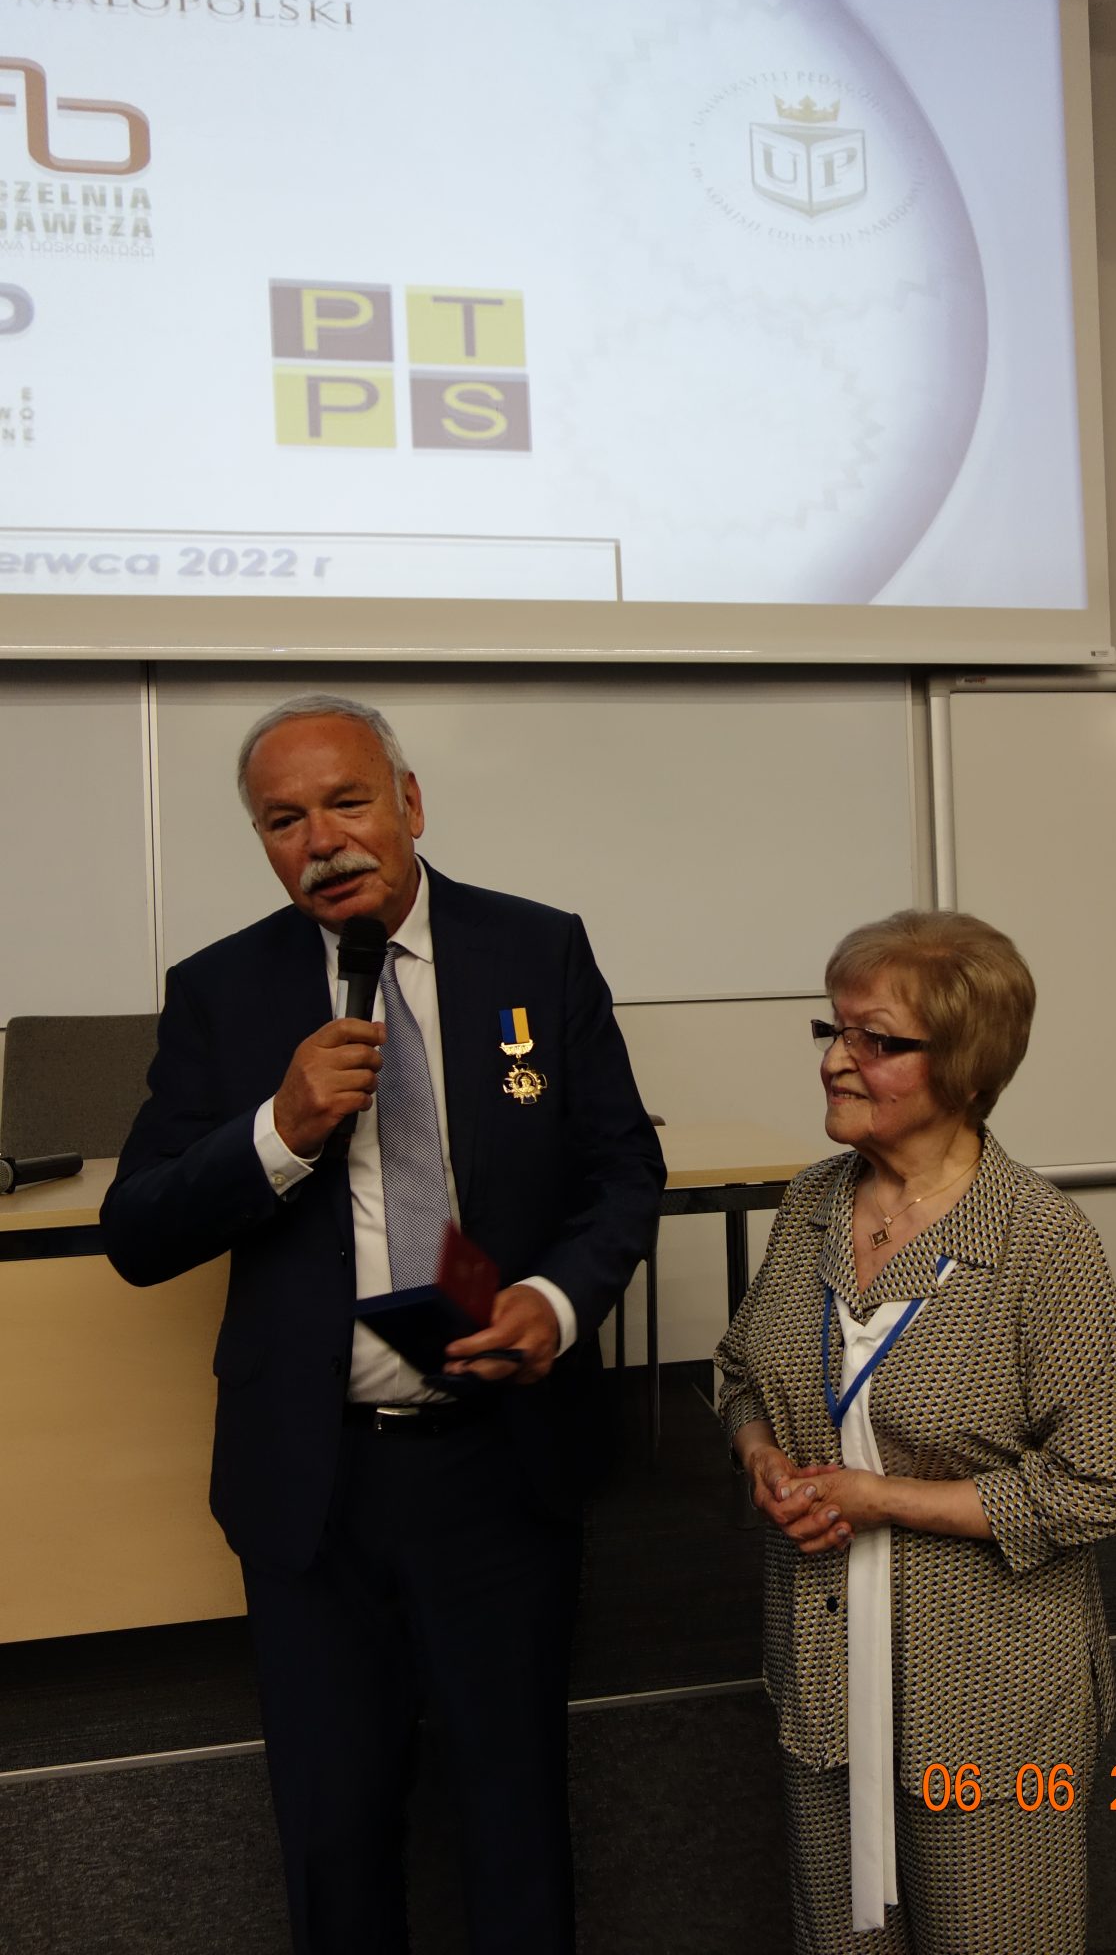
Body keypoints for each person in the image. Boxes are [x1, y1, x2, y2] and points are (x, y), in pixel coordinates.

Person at [101, 692, 665, 1955]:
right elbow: (136, 1229)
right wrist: (279, 1130)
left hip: (499, 1464)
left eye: (347, 802)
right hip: (317, 1479)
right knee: (336, 1824)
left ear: (409, 802)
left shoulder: (537, 950)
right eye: (283, 819)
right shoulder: (220, 989)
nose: (322, 840)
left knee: (514, 1813)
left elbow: (622, 1168)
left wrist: (556, 1301)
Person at [715, 909, 1116, 1955]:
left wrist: (880, 1498)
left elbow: (1107, 1481)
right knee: (844, 1940)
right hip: (825, 1666)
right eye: (831, 1029)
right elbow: (738, 1372)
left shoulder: (1041, 1240)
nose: (835, 1060)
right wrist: (762, 1455)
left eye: (875, 1040)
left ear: (963, 1065)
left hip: (987, 1687)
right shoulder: (811, 1202)